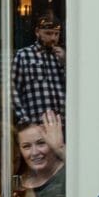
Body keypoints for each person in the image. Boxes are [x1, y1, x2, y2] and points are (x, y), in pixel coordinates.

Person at [11, 9, 66, 137]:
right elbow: (13, 90)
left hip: (62, 128)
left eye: (56, 34)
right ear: (37, 32)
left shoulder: (62, 56)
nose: (53, 38)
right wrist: (26, 122)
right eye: (48, 33)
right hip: (35, 127)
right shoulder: (24, 55)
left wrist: (65, 63)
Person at [11, 116, 67, 197]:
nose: (34, 152)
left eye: (41, 143)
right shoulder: (18, 183)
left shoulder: (67, 175)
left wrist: (60, 148)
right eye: (26, 146)